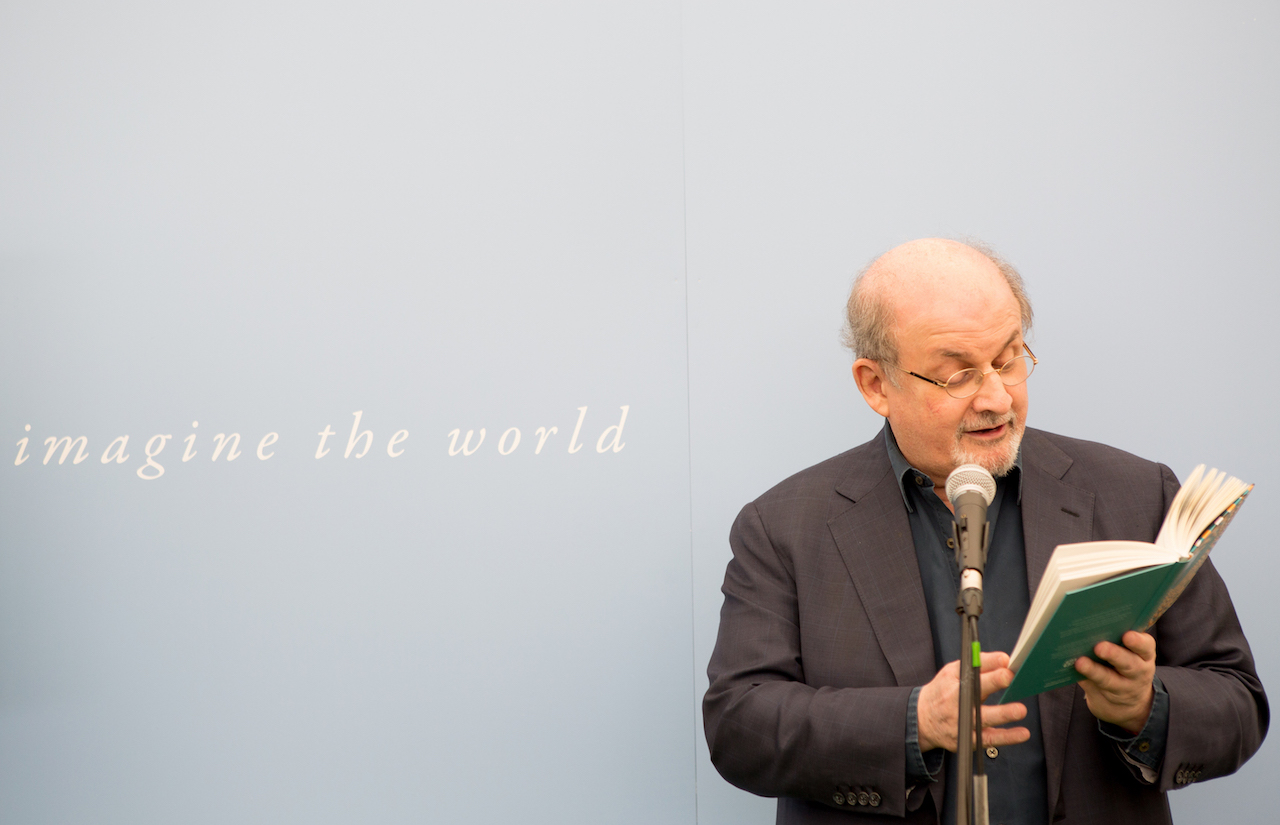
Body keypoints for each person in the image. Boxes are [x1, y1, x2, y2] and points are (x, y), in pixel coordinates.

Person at [702, 238, 1267, 824]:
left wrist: (1145, 705)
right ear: (875, 385)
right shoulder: (785, 527)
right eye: (957, 375)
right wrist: (915, 722)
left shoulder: (1135, 493)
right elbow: (739, 725)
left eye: (1008, 359)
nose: (998, 398)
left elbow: (1237, 701)